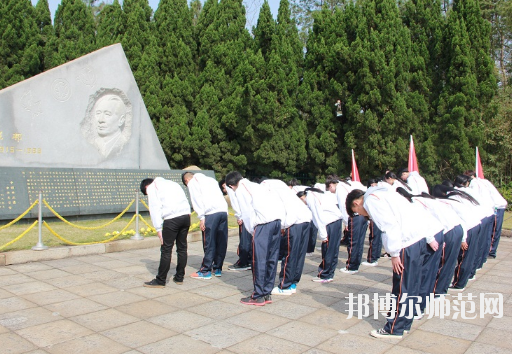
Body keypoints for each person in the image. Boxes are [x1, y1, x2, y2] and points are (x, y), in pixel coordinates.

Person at [346, 186, 441, 339]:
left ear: (356, 203)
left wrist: (394, 253)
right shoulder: (384, 193)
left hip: (405, 243)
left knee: (401, 287)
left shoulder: (372, 201)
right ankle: (404, 324)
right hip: (417, 239)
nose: (362, 215)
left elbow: (389, 226)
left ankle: (394, 328)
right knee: (412, 286)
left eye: (357, 212)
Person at [226, 171, 285, 306]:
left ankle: (258, 295)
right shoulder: (257, 186)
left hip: (263, 224)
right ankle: (266, 293)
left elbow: (247, 213)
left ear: (231, 185)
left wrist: (252, 231)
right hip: (276, 221)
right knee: (271, 259)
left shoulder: (241, 189)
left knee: (259, 260)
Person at [261, 180, 312, 295]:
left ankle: (284, 285)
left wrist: (283, 227)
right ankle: (293, 283)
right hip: (305, 221)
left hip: (293, 223)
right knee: (299, 255)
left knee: (289, 255)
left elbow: (282, 212)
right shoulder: (287, 192)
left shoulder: (273, 193)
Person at [140, 178, 191, 287]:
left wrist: (158, 228)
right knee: (182, 248)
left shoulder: (153, 187)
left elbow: (155, 208)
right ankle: (179, 277)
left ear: (146, 187)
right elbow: (184, 198)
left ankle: (161, 280)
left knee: (166, 249)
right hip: (185, 216)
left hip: (171, 219)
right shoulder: (172, 183)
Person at [182, 172, 228, 279]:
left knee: (209, 241)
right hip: (222, 211)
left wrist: (201, 217)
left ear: (186, 180)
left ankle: (205, 270)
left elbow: (196, 200)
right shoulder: (211, 180)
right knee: (221, 241)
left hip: (210, 213)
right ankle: (217, 268)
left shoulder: (193, 182)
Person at [325, 175, 368, 274]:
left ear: (331, 185)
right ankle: (356, 264)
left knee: (353, 242)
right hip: (363, 213)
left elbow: (344, 207)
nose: (331, 192)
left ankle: (351, 266)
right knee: (359, 242)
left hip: (354, 215)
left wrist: (346, 223)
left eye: (329, 189)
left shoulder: (340, 188)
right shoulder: (349, 184)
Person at [298, 187, 342, 283]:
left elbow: (318, 216)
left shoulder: (310, 198)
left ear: (302, 197)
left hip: (329, 222)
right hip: (336, 221)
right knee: (333, 249)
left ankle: (324, 274)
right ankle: (330, 273)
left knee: (327, 249)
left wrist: (323, 235)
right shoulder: (318, 194)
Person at [464, 170, 508, 259]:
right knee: (491, 230)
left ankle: (491, 251)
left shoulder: (474, 183)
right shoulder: (483, 181)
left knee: (494, 230)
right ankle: (489, 250)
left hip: (496, 207)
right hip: (492, 207)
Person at [220, 178, 252, 271]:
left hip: (244, 217)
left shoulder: (233, 188)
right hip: (252, 216)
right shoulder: (248, 184)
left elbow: (235, 202)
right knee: (250, 240)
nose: (224, 189)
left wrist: (239, 216)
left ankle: (243, 262)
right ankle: (250, 260)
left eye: (224, 187)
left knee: (244, 241)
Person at [364, 178, 382, 265]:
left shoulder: (371, 191)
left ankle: (372, 259)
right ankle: (376, 256)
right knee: (378, 238)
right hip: (380, 217)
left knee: (374, 238)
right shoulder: (382, 191)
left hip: (374, 217)